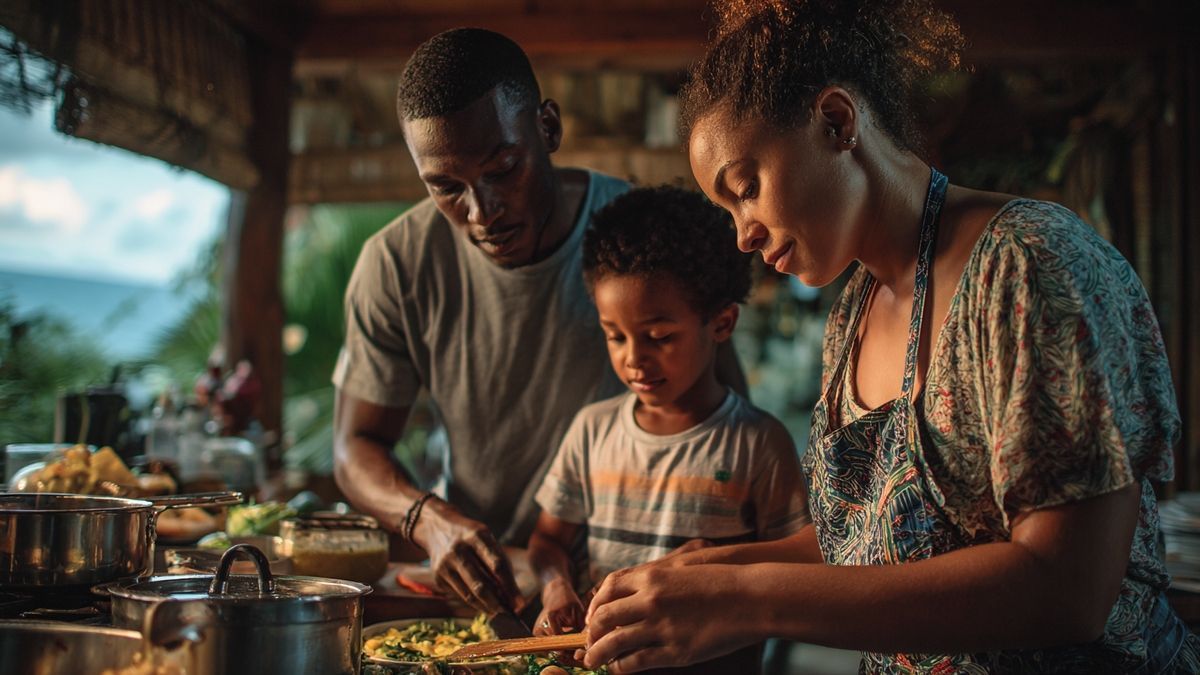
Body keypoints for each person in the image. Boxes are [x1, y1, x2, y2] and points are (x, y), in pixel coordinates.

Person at [581, 1, 1199, 673]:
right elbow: (874, 544)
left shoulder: (1029, 263)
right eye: (728, 209)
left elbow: (1066, 588)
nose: (743, 233)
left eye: (747, 188)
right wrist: (710, 564)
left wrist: (745, 594)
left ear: (837, 121)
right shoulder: (854, 311)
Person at [331, 28, 745, 615]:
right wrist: (427, 520)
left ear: (547, 128)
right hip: (490, 584)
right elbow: (353, 447)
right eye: (446, 187)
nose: (480, 212)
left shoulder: (645, 241)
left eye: (502, 169)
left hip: (638, 589)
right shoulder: (396, 263)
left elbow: (727, 411)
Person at [528, 186, 808, 642]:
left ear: (721, 324)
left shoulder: (757, 444)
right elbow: (547, 542)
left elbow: (798, 562)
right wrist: (555, 587)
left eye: (658, 337)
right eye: (615, 336)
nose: (633, 359)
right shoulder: (592, 431)